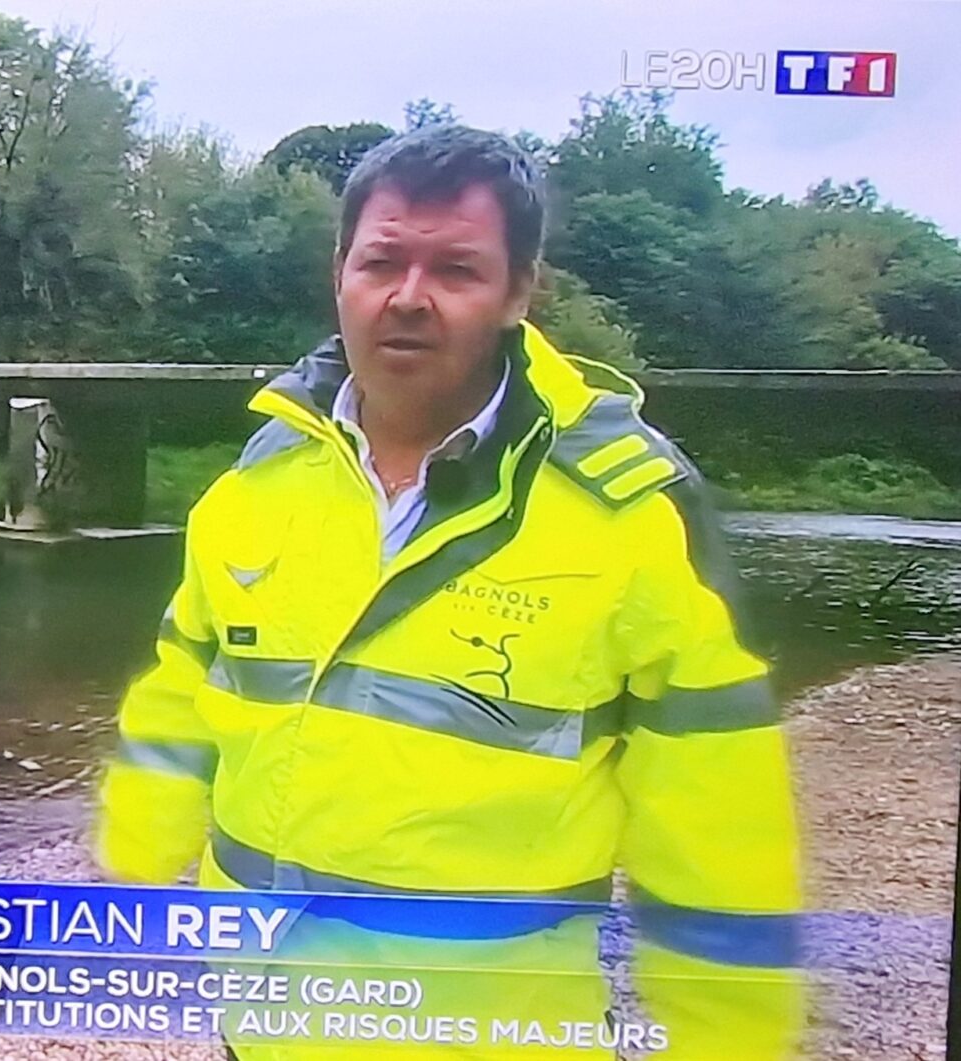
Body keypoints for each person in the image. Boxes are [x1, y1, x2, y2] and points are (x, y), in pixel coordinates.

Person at [95, 126, 802, 1058]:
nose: (409, 298)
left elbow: (722, 827)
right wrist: (121, 893)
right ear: (339, 271)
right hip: (260, 1025)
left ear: (519, 293)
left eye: (457, 271)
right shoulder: (259, 481)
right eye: (382, 260)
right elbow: (183, 693)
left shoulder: (632, 513)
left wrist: (729, 1042)